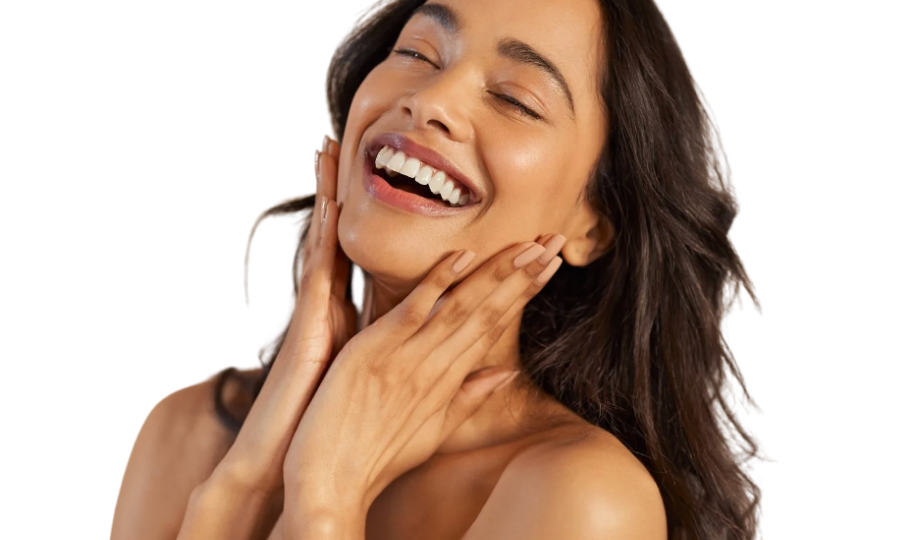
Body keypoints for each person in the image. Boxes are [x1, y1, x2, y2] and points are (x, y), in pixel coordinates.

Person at [111, 0, 760, 538]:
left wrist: (326, 500)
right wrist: (243, 483)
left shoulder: (582, 499)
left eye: (515, 98)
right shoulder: (190, 433)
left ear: (592, 225)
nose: (431, 100)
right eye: (417, 53)